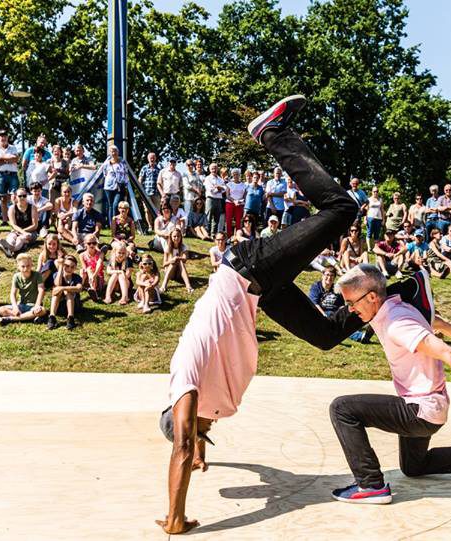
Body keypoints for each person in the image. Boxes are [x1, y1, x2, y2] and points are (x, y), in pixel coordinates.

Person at [158, 96, 369, 534]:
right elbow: (194, 446)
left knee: (342, 210)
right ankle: (390, 297)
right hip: (262, 293)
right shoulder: (202, 405)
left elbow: (180, 447)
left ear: (185, 416)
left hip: (247, 267)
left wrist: (176, 518)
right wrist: (201, 448)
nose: (210, 425)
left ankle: (271, 132)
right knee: (327, 335)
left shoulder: (185, 380)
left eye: (202, 430)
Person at [328, 264, 451, 505]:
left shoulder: (397, 323)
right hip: (430, 408)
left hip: (419, 410)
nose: (350, 310)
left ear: (372, 297)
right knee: (414, 466)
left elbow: (450, 354)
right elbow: (441, 323)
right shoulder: (395, 307)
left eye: (352, 302)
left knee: (342, 409)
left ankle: (371, 485)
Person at [0, 253, 46, 326]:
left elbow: (41, 290)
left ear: (32, 265)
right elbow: (13, 293)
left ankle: (11, 319)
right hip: (21, 305)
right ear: (18, 267)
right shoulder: (16, 276)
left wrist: (37, 305)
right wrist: (15, 307)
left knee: (42, 310)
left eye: (28, 266)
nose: (26, 269)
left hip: (33, 305)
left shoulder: (37, 275)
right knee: (1, 309)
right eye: (23, 266)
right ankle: (28, 317)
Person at [0, 130, 20, 222]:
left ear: (7, 137)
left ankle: (15, 219)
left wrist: (1, 158)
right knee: (3, 198)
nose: (3, 138)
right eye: (1, 136)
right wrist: (8, 159)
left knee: (14, 197)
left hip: (12, 174)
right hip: (0, 174)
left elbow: (16, 159)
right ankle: (4, 220)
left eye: (5, 136)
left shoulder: (13, 147)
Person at [0, 188, 38, 257]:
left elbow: (35, 225)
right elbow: (13, 224)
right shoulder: (12, 208)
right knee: (11, 237)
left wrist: (23, 232)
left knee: (21, 238)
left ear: (27, 196)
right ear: (16, 197)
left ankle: (10, 249)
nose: (22, 197)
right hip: (16, 231)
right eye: (20, 196)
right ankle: (10, 248)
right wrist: (20, 231)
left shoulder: (33, 207)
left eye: (24, 196)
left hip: (30, 232)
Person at [48, 255, 84, 329]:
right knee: (57, 292)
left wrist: (63, 288)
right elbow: (57, 284)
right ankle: (52, 317)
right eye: (67, 266)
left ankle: (70, 318)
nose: (69, 269)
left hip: (74, 306)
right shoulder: (56, 275)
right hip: (59, 306)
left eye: (72, 267)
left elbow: (79, 288)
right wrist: (61, 267)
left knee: (67, 292)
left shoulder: (76, 277)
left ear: (75, 268)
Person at [102, 144, 129, 225]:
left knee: (115, 205)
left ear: (118, 152)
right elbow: (104, 173)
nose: (114, 153)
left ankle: (116, 222)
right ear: (110, 153)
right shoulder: (106, 163)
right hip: (108, 187)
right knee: (110, 206)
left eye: (115, 151)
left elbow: (126, 173)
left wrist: (126, 183)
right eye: (112, 151)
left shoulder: (122, 162)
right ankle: (111, 224)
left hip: (119, 187)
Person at [160, 229, 193, 293]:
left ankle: (188, 285)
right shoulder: (168, 248)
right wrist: (171, 260)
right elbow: (164, 264)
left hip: (179, 273)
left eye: (178, 236)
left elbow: (185, 259)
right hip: (170, 273)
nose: (176, 238)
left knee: (179, 261)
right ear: (171, 237)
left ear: (181, 237)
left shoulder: (183, 247)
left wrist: (177, 258)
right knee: (173, 262)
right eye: (174, 236)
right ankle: (164, 285)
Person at [138, 152, 162, 227]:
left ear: (155, 158)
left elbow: (162, 180)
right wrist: (141, 191)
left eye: (153, 157)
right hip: (146, 193)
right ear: (148, 159)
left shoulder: (159, 168)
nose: (152, 159)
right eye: (150, 157)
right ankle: (150, 226)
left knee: (157, 211)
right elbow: (140, 180)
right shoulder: (144, 168)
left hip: (156, 193)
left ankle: (157, 226)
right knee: (147, 210)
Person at [79, 233, 105, 302]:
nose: (92, 245)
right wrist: (90, 273)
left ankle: (93, 290)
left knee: (91, 270)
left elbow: (99, 264)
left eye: (94, 243)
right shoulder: (82, 255)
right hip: (87, 278)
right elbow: (84, 268)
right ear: (85, 244)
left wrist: (94, 275)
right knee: (83, 270)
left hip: (98, 278)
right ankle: (80, 287)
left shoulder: (100, 254)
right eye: (89, 243)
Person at [203, 162, 225, 237]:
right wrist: (218, 189)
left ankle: (213, 234)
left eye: (215, 168)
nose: (214, 170)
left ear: (217, 169)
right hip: (210, 199)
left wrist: (218, 188)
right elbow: (210, 190)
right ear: (210, 170)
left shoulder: (220, 179)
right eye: (212, 168)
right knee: (208, 217)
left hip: (218, 200)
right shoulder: (207, 178)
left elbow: (224, 189)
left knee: (216, 218)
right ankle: (207, 233)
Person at [224, 168, 247, 235]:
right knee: (228, 220)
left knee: (238, 221)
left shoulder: (244, 185)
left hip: (240, 205)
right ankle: (228, 236)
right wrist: (234, 201)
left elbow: (245, 196)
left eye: (237, 174)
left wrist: (239, 201)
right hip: (230, 203)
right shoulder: (229, 184)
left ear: (239, 175)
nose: (235, 176)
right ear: (232, 175)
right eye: (234, 174)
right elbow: (227, 195)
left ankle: (238, 236)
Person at [365, 186, 384, 251]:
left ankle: (376, 248)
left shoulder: (380, 200)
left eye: (377, 191)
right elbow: (366, 210)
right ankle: (369, 248)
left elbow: (382, 210)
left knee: (377, 233)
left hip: (378, 218)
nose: (375, 193)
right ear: (372, 192)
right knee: (369, 232)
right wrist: (365, 218)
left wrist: (383, 219)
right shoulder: (369, 199)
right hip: (370, 218)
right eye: (374, 191)